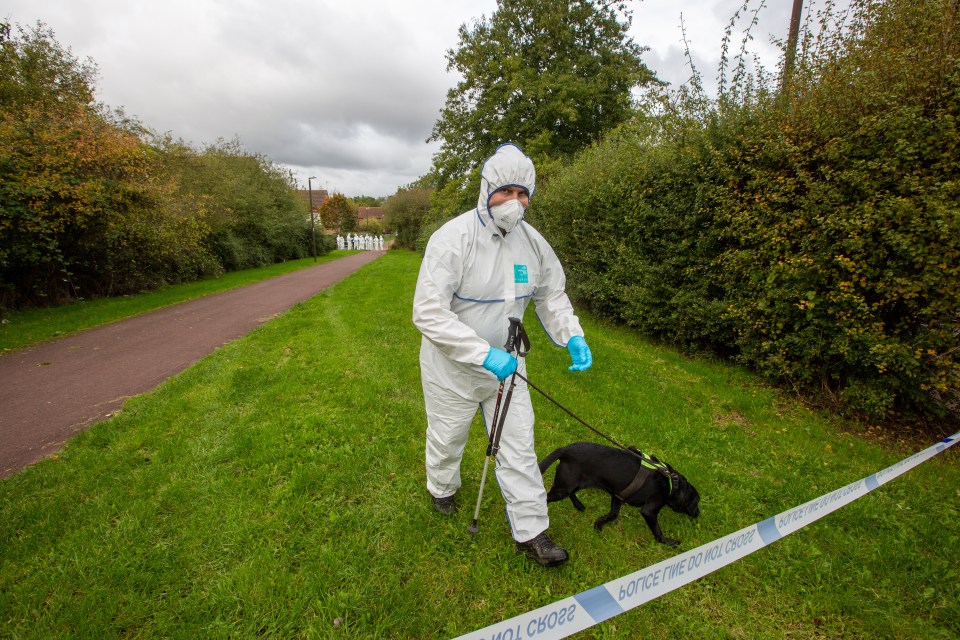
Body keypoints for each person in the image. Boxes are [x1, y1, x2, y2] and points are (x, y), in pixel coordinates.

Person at [412, 143, 593, 567]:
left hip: (509, 368)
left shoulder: (534, 245)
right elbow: (428, 312)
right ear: (486, 190)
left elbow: (552, 296)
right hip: (451, 367)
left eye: (523, 193)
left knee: (519, 446)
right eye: (506, 191)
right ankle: (442, 488)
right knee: (448, 437)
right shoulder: (453, 239)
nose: (515, 202)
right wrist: (481, 353)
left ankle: (532, 532)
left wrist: (572, 334)